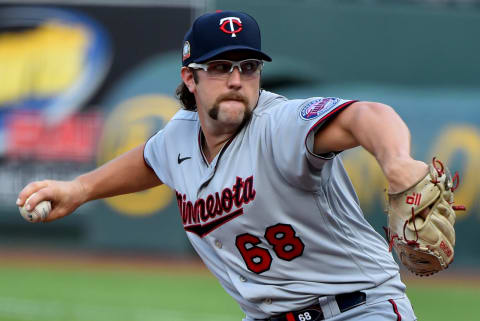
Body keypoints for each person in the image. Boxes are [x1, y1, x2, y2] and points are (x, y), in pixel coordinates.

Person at [17, 10, 426, 321]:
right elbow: (149, 159)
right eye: (219, 67)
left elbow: (366, 115)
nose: (236, 80)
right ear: (190, 79)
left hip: (357, 309)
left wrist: (397, 161)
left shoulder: (278, 124)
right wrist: (80, 189)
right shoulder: (180, 135)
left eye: (248, 68)